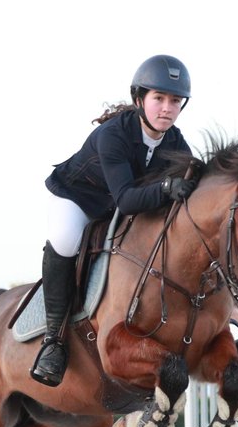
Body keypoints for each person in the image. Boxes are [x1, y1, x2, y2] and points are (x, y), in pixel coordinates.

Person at [30, 54, 198, 387]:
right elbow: (127, 198)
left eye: (175, 101)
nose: (167, 108)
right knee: (65, 239)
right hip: (78, 199)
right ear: (140, 99)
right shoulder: (114, 135)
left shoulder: (176, 142)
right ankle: (53, 340)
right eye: (159, 99)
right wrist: (167, 187)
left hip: (118, 211)